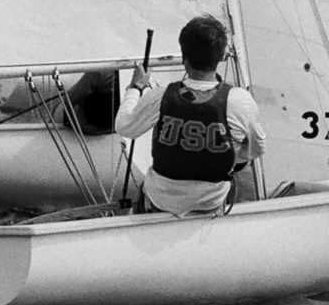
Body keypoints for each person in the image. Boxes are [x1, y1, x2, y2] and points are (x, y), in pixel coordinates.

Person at [114, 13, 265, 217]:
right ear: (221, 56)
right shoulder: (240, 101)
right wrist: (231, 159)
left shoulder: (161, 96)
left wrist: (135, 87)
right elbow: (257, 148)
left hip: (160, 202)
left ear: (184, 58)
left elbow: (123, 127)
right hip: (210, 204)